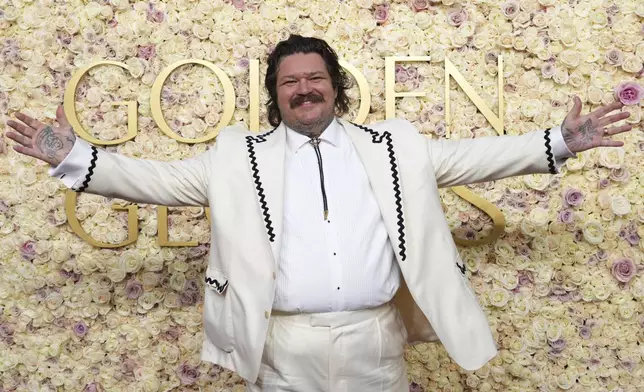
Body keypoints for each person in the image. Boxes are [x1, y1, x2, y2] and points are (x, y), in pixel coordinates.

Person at [5, 35, 632, 392]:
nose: (303, 88)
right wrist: (75, 157)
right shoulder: (235, 156)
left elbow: (475, 158)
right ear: (276, 95)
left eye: (315, 77)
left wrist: (558, 142)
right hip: (282, 346)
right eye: (289, 82)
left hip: (374, 343)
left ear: (335, 84)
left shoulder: (394, 147)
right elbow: (156, 180)